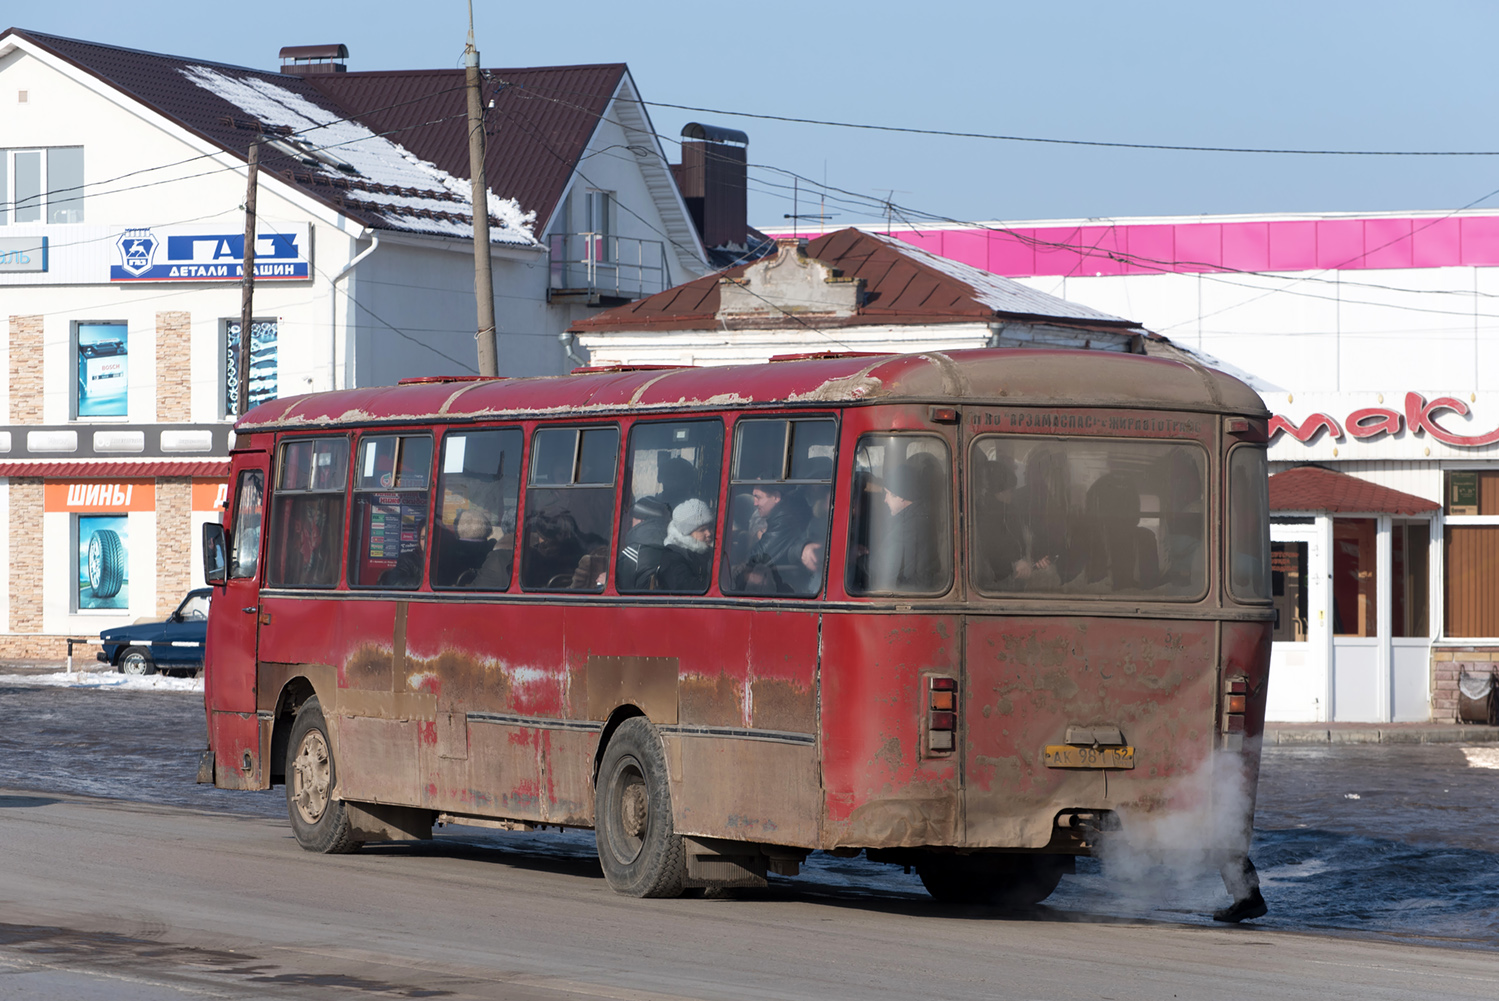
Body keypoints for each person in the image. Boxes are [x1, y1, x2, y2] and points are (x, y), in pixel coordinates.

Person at [868, 451, 945, 591]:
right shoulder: (920, 516)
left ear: (901, 496)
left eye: (888, 494)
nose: (885, 500)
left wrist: (858, 558)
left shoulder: (907, 528)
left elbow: (882, 571)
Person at [733, 483, 811, 593]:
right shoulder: (779, 515)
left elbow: (759, 556)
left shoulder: (783, 520)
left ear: (776, 497)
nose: (755, 503)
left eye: (758, 497)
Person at [654, 499, 715, 591]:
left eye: (710, 527)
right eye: (702, 530)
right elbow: (691, 590)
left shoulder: (706, 551)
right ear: (686, 533)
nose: (709, 533)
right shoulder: (672, 559)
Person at [618, 496, 671, 589]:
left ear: (642, 521)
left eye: (633, 519)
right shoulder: (669, 547)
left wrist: (606, 578)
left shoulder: (632, 554)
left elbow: (617, 585)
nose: (631, 524)